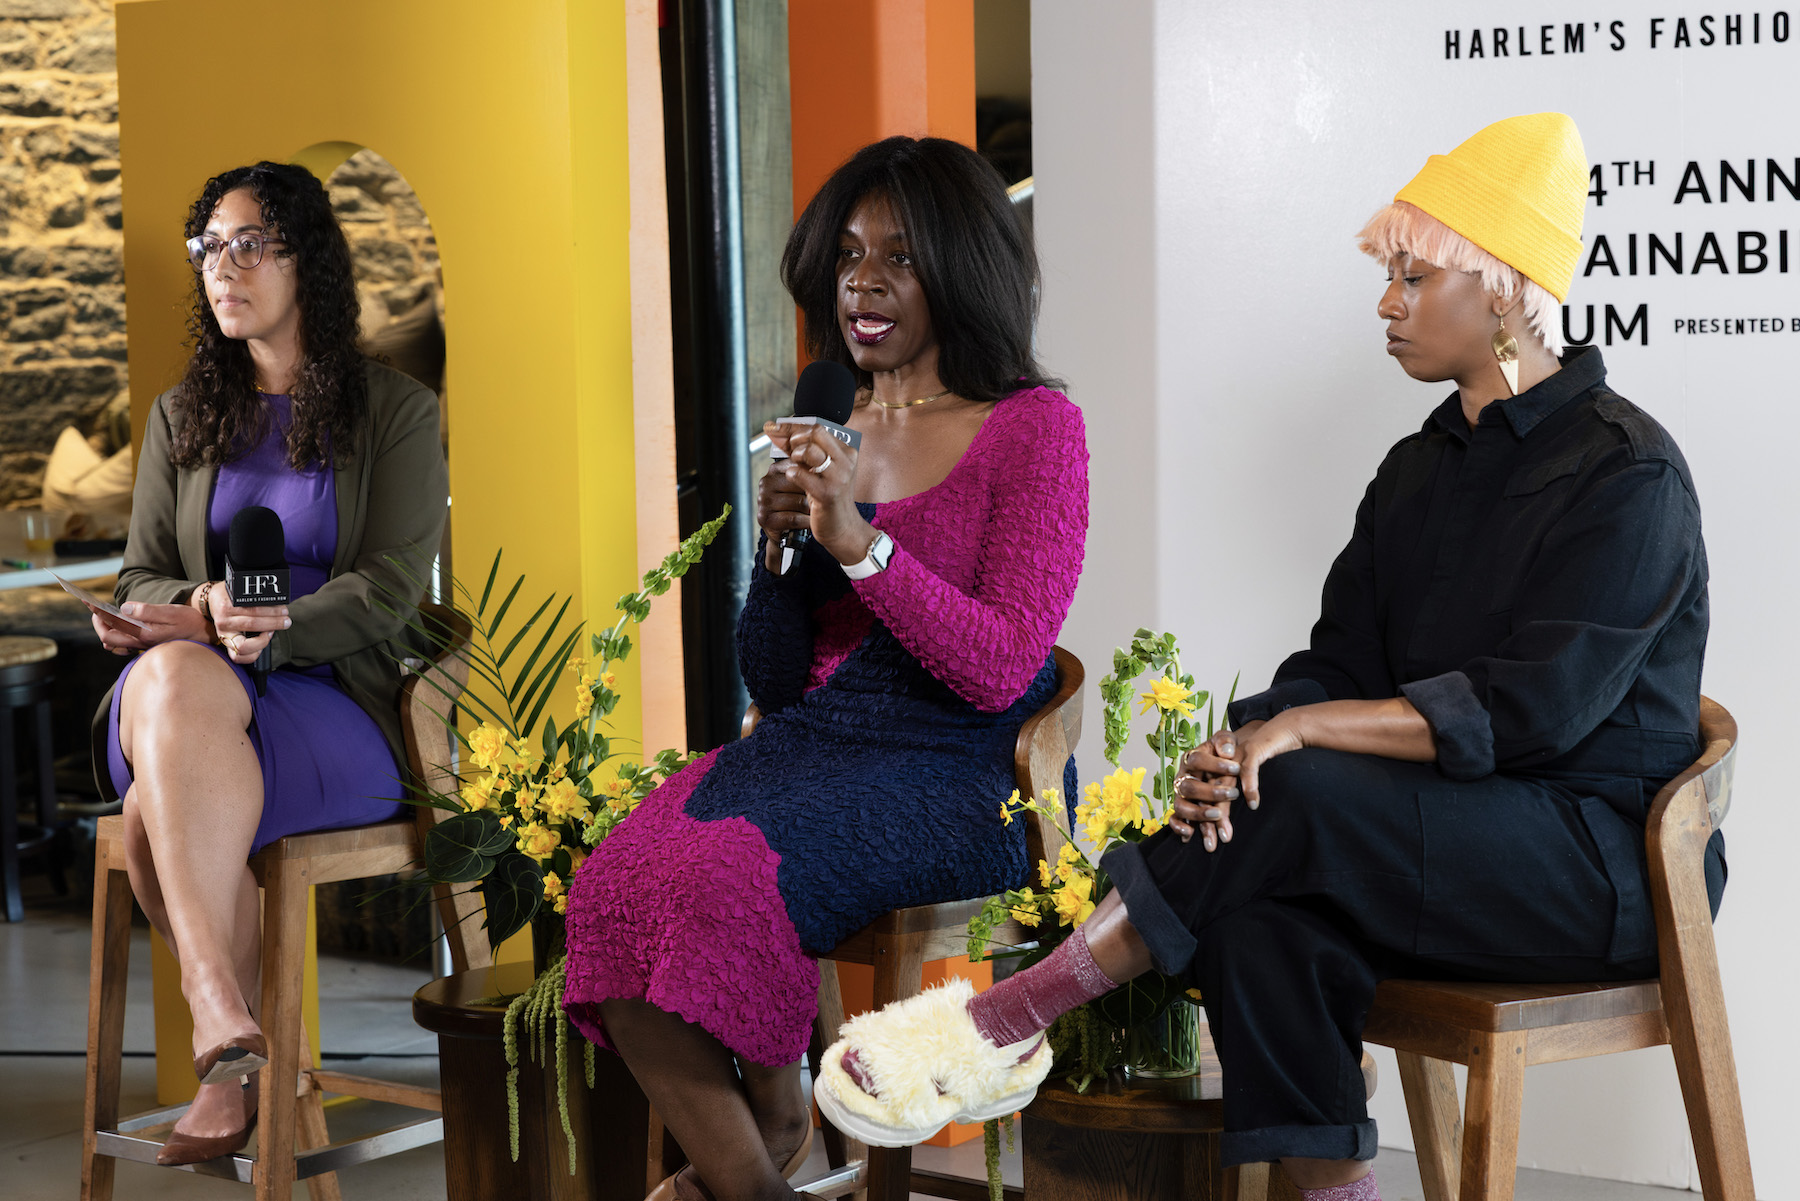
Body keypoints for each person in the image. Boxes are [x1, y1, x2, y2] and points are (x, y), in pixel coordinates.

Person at [815, 113, 1721, 1201]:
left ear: (1505, 291)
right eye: (1388, 277)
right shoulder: (1417, 471)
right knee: (1257, 917)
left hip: (1597, 863)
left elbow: (1531, 711)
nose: (1387, 303)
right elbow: (1340, 663)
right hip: (1435, 838)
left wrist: (1292, 735)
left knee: (1288, 789)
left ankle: (1012, 1015)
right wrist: (1241, 745)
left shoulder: (1629, 473)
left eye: (1414, 278)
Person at [559, 135, 1089, 1201]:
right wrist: (778, 554)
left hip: (963, 766)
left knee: (722, 874)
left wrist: (858, 542)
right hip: (819, 745)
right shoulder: (831, 426)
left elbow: (998, 666)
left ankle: (762, 1134)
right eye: (848, 254)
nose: (863, 280)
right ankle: (763, 1151)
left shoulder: (1035, 429)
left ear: (964, 267)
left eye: (899, 255)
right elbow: (775, 680)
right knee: (612, 883)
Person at [86, 162, 447, 1166]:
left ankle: (226, 1044)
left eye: (249, 244)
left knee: (158, 795)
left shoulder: (398, 410)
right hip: (192, 692)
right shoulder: (181, 415)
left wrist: (266, 632)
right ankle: (223, 1011)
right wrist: (197, 606)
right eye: (209, 247)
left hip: (334, 701)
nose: (222, 266)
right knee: (169, 682)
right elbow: (138, 574)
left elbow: (389, 587)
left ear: (307, 261)